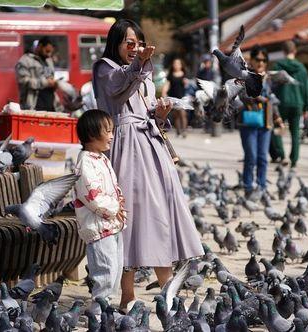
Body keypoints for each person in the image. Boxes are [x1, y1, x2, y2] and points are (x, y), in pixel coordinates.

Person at [92, 18, 203, 310]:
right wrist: (139, 65)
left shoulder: (142, 72)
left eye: (138, 43)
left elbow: (147, 109)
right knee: (131, 217)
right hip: (127, 148)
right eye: (129, 43)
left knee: (161, 214)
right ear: (116, 43)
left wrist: (162, 111)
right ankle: (128, 294)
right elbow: (119, 89)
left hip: (151, 147)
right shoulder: (106, 68)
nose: (135, 48)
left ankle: (167, 288)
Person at [73, 109, 126, 315]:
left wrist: (119, 204)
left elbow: (114, 186)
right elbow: (93, 197)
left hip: (112, 226)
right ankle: (97, 313)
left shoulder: (101, 158)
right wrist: (115, 208)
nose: (112, 136)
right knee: (104, 272)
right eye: (108, 131)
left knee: (115, 271)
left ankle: (105, 309)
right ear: (92, 134)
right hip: (97, 228)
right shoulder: (85, 162)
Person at [238, 45, 283, 196]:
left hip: (266, 121)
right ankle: (248, 187)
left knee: (263, 158)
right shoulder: (245, 76)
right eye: (258, 60)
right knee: (251, 156)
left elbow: (272, 100)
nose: (261, 63)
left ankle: (262, 187)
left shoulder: (268, 78)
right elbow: (242, 95)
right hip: (249, 120)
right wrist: (258, 95)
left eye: (264, 60)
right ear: (252, 60)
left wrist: (278, 117)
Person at [269, 40, 308, 168]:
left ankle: (282, 155)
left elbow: (273, 86)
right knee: (295, 132)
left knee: (277, 128)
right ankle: (294, 159)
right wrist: (306, 106)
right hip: (298, 102)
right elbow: (306, 89)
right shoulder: (302, 68)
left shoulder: (277, 66)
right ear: (295, 51)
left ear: (283, 51)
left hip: (281, 102)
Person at [15, 37, 62, 111]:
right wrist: (45, 82)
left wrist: (54, 85)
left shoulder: (49, 61)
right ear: (39, 46)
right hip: (33, 106)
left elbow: (50, 78)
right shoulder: (25, 61)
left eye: (50, 52)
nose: (49, 55)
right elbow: (23, 81)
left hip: (51, 106)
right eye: (47, 51)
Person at [162, 58, 189, 138]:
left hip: (182, 97)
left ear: (181, 65)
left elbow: (187, 85)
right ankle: (178, 132)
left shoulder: (184, 74)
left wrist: (186, 83)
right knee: (176, 115)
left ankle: (184, 131)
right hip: (173, 97)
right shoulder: (170, 75)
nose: (176, 65)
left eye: (178, 64)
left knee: (182, 113)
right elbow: (167, 85)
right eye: (175, 64)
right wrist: (164, 93)